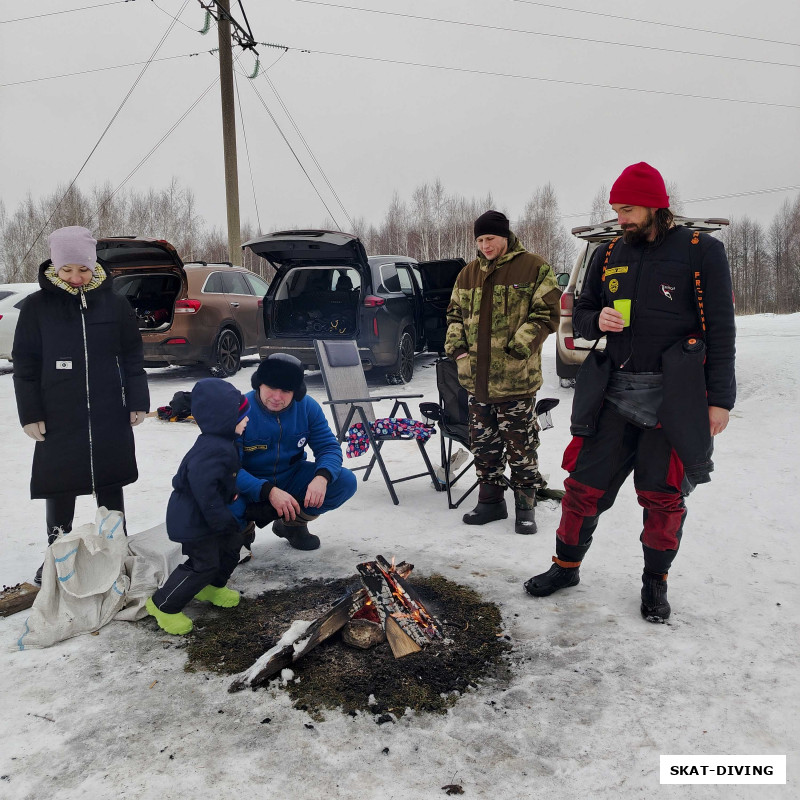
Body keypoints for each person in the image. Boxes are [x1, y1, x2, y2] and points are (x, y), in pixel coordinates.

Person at [524, 162, 736, 622]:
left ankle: (655, 581)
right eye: (617, 209)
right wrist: (594, 320)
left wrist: (720, 401)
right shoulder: (608, 253)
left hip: (674, 400)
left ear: (657, 206)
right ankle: (566, 566)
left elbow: (721, 329)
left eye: (629, 209)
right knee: (582, 488)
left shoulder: (701, 251)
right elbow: (580, 313)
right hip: (612, 394)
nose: (622, 218)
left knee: (662, 497)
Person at [12, 226, 149, 586]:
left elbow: (133, 355)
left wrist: (137, 399)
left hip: (108, 411)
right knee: (60, 484)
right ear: (55, 266)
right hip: (58, 413)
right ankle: (58, 552)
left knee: (111, 480)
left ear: (94, 267)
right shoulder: (36, 307)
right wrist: (30, 413)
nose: (75, 277)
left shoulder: (115, 303)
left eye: (83, 269)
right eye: (67, 269)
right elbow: (24, 365)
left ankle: (116, 546)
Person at [444, 210, 561, 534]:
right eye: (480, 240)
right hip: (476, 382)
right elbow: (454, 314)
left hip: (516, 381)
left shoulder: (533, 267)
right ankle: (490, 503)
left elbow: (548, 312)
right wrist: (459, 351)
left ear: (505, 237)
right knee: (484, 446)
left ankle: (525, 508)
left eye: (490, 239)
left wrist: (517, 349)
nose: (485, 245)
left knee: (521, 447)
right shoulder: (467, 274)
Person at [146, 379, 250, 636]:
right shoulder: (212, 449)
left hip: (211, 515)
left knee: (232, 546)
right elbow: (205, 493)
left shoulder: (223, 443)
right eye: (242, 417)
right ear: (224, 420)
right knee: (203, 562)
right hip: (193, 519)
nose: (247, 421)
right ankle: (163, 604)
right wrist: (222, 519)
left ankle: (212, 586)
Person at [230, 353, 357, 551]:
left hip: (290, 476)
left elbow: (328, 447)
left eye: (286, 391)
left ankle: (292, 525)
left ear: (296, 392)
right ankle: (242, 533)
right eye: (271, 388)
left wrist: (321, 478)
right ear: (259, 384)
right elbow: (227, 467)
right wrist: (267, 491)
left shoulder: (307, 407)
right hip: (248, 485)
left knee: (344, 481)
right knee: (220, 497)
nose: (277, 397)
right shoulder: (239, 410)